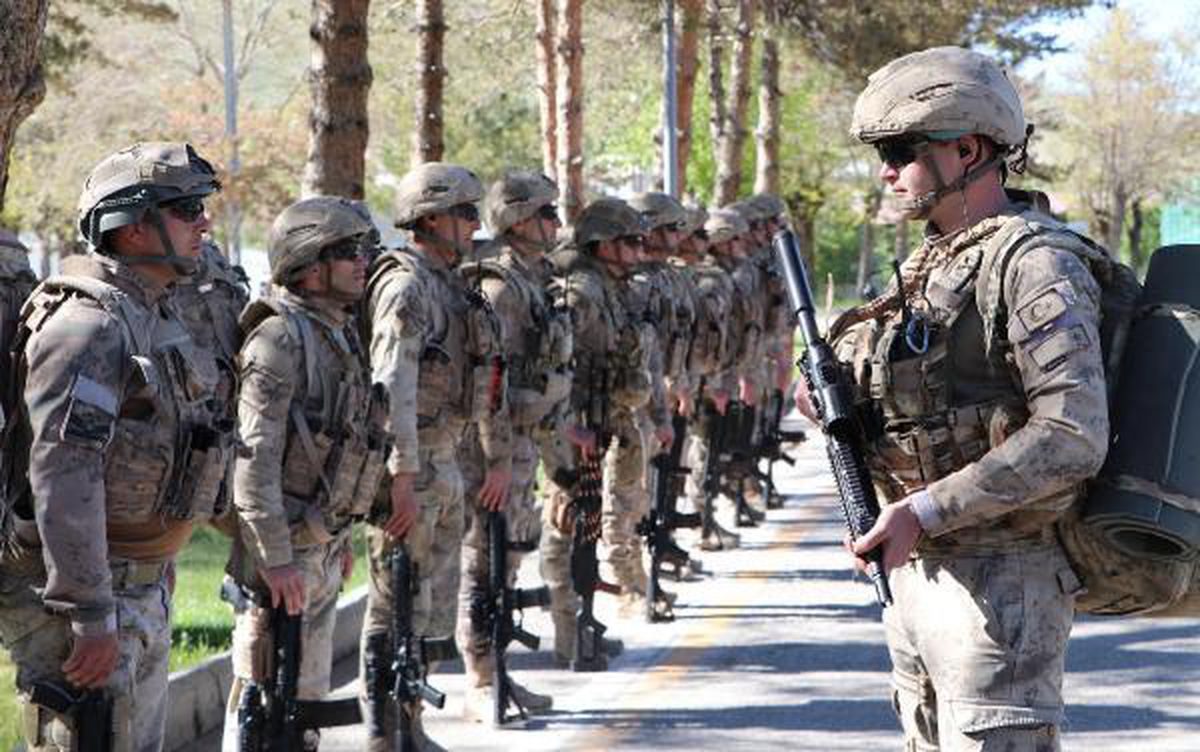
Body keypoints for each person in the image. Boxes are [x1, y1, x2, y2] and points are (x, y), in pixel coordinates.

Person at [797, 46, 1110, 751]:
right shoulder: (929, 263)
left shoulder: (1036, 263)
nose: (885, 170)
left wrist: (926, 508)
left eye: (901, 150)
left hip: (1004, 588)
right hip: (919, 577)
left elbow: (1074, 432)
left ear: (967, 149)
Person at [3, 142, 229, 751]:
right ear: (129, 227)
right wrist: (89, 611)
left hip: (136, 586)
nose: (203, 222)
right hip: (86, 602)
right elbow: (63, 480)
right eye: (185, 208)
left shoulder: (149, 317)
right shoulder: (88, 328)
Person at [221, 197, 387, 751]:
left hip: (317, 546)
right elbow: (253, 460)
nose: (363, 262)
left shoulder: (337, 332)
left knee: (306, 705)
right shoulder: (280, 339)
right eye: (349, 252)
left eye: (364, 250)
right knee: (259, 702)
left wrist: (336, 536)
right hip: (281, 559)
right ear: (309, 263)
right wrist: (275, 557)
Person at [360, 162, 512, 750]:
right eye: (465, 213)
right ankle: (383, 733)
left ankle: (409, 725)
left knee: (425, 610)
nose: (475, 225)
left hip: (443, 459)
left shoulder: (449, 282)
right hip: (414, 466)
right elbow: (391, 381)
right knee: (394, 602)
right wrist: (400, 472)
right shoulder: (406, 286)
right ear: (430, 219)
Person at [454, 171, 568, 720]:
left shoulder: (529, 278)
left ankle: (497, 671)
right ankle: (480, 679)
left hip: (518, 446)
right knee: (483, 563)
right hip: (490, 451)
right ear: (520, 220)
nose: (556, 224)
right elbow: (489, 383)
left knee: (505, 564)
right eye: (548, 214)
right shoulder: (499, 288)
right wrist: (496, 460)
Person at [542, 197, 650, 665]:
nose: (639, 250)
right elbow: (555, 362)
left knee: (585, 532)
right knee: (567, 531)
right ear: (603, 245)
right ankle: (570, 637)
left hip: (598, 424)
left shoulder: (609, 287)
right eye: (630, 242)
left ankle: (584, 626)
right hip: (575, 432)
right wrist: (564, 426)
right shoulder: (581, 291)